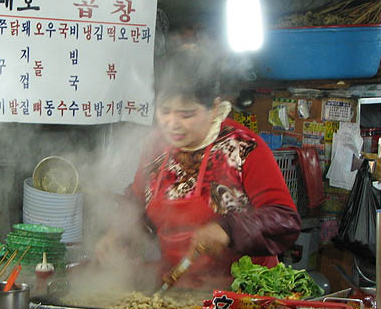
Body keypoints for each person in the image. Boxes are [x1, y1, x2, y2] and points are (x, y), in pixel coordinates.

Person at [95, 45, 301, 290]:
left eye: (187, 114)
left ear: (214, 108)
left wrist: (228, 230)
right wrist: (119, 232)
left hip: (240, 295)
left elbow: (284, 220)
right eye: (165, 111)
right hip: (176, 289)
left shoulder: (243, 147)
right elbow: (138, 203)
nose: (173, 124)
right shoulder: (155, 148)